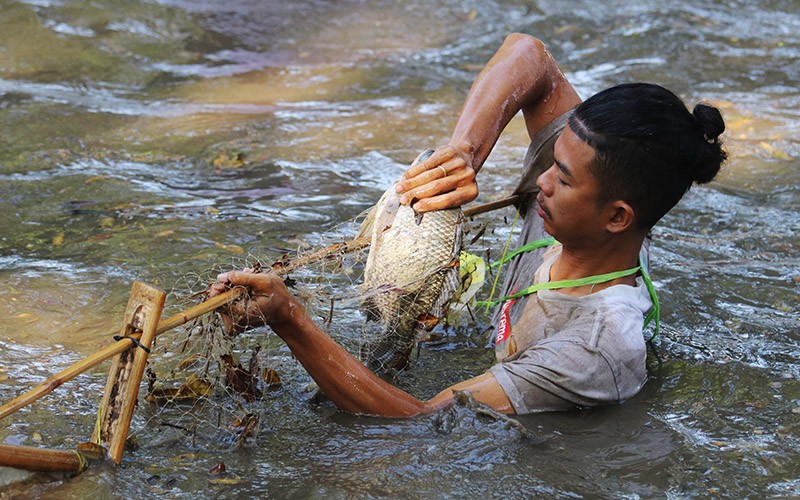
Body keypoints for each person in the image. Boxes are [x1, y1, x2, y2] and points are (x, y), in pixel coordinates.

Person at [208, 33, 727, 416]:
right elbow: (530, 56)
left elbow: (420, 419)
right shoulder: (587, 216)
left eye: (562, 178)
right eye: (552, 161)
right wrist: (464, 152)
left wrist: (290, 320)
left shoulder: (595, 348)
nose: (540, 181)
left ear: (617, 217)